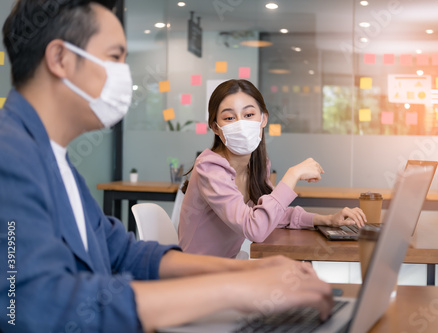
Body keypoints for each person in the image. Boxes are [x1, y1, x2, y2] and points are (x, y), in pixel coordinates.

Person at [0, 1, 334, 332]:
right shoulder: (9, 156)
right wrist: (235, 291)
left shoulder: (53, 159)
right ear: (60, 59)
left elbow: (123, 254)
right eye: (115, 57)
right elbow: (28, 305)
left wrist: (248, 273)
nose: (124, 73)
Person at [178, 79, 366, 258]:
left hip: (225, 268)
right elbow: (255, 229)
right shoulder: (210, 168)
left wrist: (328, 220)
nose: (241, 124)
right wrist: (292, 175)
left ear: (263, 119)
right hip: (196, 276)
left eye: (249, 115)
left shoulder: (256, 166)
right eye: (229, 117)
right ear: (215, 128)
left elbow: (274, 213)